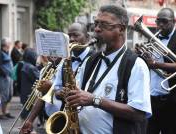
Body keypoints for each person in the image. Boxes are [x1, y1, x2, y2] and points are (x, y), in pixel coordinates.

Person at [55, 5, 151, 134]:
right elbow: (78, 94)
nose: (97, 29)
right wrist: (66, 94)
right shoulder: (90, 60)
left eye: (104, 25)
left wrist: (95, 100)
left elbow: (138, 114)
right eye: (96, 24)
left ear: (121, 29)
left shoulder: (136, 64)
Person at [20, 22, 94, 134]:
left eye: (76, 35)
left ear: (87, 37)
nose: (72, 39)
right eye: (70, 36)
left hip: (88, 121)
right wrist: (58, 92)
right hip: (65, 117)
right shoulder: (65, 60)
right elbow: (55, 90)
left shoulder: (96, 59)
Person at [139, 8, 176, 134]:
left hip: (173, 102)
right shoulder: (153, 39)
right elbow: (148, 66)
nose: (160, 25)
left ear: (174, 21)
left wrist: (156, 64)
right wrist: (141, 56)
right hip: (152, 101)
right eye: (158, 21)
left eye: (164, 21)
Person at [0, 37, 14, 119]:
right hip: (3, 77)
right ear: (5, 44)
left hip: (9, 77)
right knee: (3, 95)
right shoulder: (0, 53)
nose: (11, 44)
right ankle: (1, 113)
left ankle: (6, 111)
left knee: (9, 95)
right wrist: (4, 74)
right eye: (9, 42)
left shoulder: (7, 52)